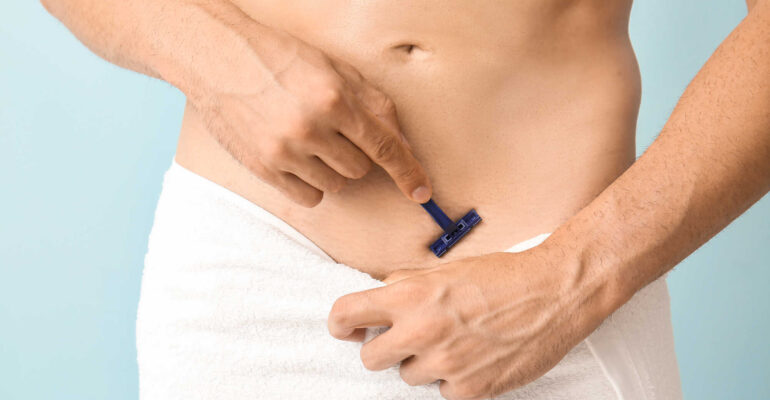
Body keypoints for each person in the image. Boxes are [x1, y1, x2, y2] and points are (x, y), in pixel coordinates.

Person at [42, 0, 769, 399]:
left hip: (550, 307)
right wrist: (209, 52)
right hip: (248, 279)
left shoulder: (566, 291)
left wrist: (575, 278)